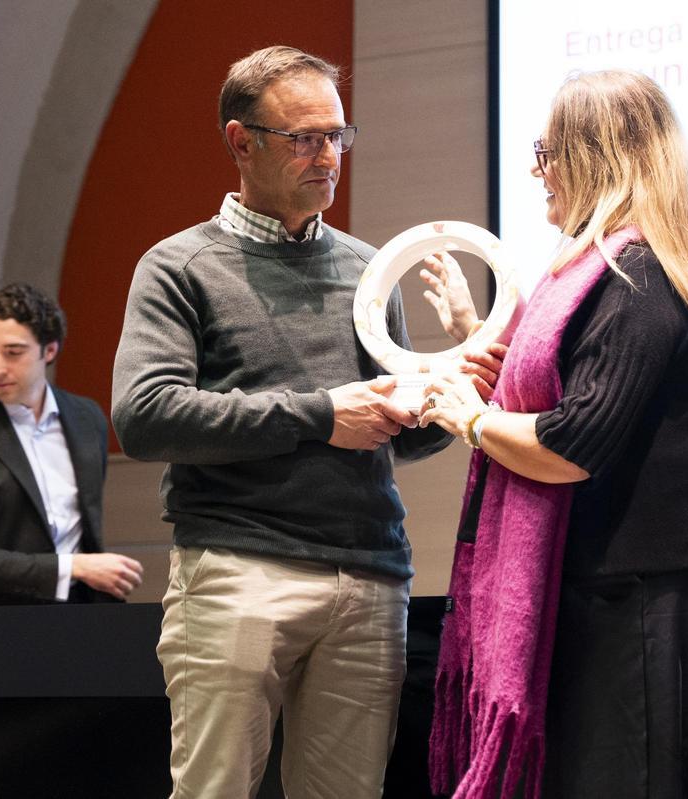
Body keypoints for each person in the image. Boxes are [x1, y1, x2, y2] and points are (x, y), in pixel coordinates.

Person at [110, 46, 480, 798]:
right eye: (304, 138)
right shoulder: (179, 266)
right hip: (240, 569)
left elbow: (391, 431)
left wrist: (451, 391)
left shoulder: (367, 269)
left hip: (370, 573)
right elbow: (144, 416)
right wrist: (320, 414)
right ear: (241, 141)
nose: (327, 157)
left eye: (338, 137)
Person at [422, 69, 688, 798]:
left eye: (547, 149)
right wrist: (480, 336)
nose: (537, 170)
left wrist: (468, 416)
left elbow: (569, 443)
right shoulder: (604, 272)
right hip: (594, 589)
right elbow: (565, 393)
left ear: (596, 156)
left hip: (634, 596)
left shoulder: (642, 276)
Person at [0, 283, 144, 606]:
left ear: (49, 350)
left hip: (76, 613)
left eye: (13, 353)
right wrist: (74, 567)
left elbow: (82, 528)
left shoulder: (87, 419)